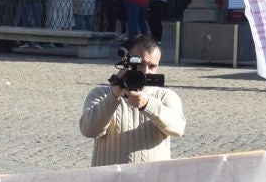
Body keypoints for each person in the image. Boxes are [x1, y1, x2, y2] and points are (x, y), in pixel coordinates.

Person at [77, 35, 185, 165]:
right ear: (125, 61)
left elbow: (178, 128)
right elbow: (89, 130)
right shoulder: (100, 94)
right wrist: (113, 95)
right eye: (140, 64)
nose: (146, 71)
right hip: (110, 180)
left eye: (152, 66)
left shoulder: (165, 96)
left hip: (152, 180)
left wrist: (148, 105)